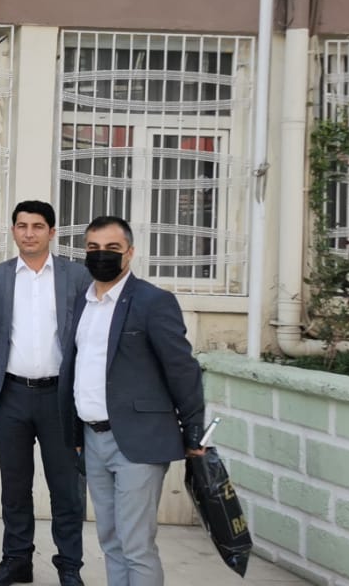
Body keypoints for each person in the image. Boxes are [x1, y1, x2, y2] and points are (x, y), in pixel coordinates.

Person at [62, 216, 206, 586]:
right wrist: (75, 433)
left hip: (139, 440)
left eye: (112, 248)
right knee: (110, 539)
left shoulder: (153, 301)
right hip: (92, 439)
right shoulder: (83, 302)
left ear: (130, 253)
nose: (102, 255)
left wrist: (194, 433)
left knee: (136, 544)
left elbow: (182, 370)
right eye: (93, 248)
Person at [0, 201, 92, 586]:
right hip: (11, 394)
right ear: (13, 231)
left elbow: (89, 336)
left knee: (66, 488)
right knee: (15, 485)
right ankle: (16, 560)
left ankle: (70, 566)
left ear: (52, 232)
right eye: (22, 226)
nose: (29, 233)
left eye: (38, 226)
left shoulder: (77, 275)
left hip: (60, 398)